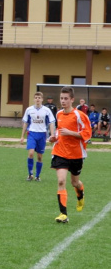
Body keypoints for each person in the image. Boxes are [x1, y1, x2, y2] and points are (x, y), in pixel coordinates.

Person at [48, 86, 92, 223]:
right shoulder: (59, 114)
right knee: (61, 181)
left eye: (66, 99)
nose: (63, 101)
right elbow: (59, 132)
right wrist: (54, 138)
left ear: (72, 100)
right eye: (61, 98)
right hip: (60, 152)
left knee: (75, 182)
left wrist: (71, 133)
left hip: (76, 154)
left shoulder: (80, 115)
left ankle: (80, 195)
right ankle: (63, 214)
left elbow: (87, 134)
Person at [20, 92, 56, 181]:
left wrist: (52, 135)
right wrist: (22, 136)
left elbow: (51, 123)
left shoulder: (47, 110)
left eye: (39, 97)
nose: (37, 99)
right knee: (31, 153)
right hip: (32, 133)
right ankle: (30, 174)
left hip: (42, 134)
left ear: (42, 99)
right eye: (36, 97)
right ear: (33, 99)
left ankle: (37, 176)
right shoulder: (29, 110)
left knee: (39, 157)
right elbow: (25, 123)